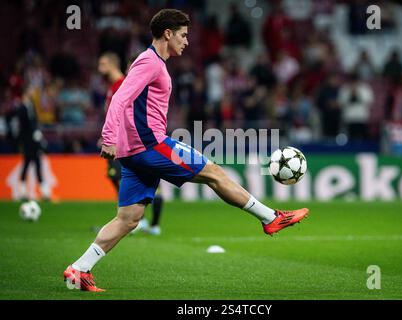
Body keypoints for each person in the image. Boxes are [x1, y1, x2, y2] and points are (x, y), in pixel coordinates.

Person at [63, 9, 309, 292]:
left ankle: (79, 269)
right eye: (183, 35)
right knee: (214, 172)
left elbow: (130, 103)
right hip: (151, 145)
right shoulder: (150, 62)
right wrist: (108, 136)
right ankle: (270, 217)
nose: (187, 42)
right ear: (167, 34)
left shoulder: (152, 63)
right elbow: (121, 98)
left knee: (128, 219)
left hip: (134, 152)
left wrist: (120, 140)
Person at [96, 52, 164, 235]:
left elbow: (129, 114)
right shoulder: (116, 85)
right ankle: (134, 220)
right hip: (129, 140)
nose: (99, 68)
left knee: (133, 178)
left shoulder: (124, 85)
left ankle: (135, 220)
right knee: (135, 178)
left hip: (132, 142)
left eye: (103, 63)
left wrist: (114, 137)